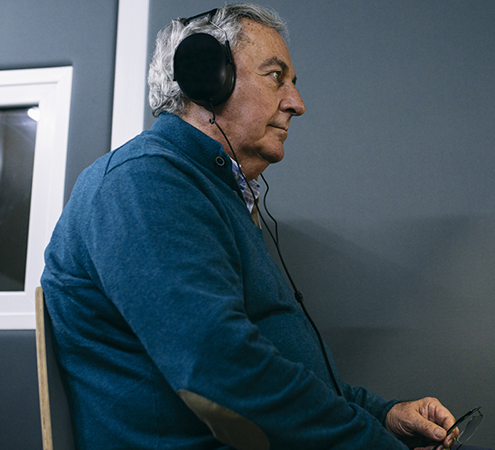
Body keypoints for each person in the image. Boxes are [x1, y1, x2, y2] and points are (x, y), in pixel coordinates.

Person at [41, 4, 457, 449]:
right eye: (276, 76)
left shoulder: (207, 190)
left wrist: (383, 416)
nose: (297, 103)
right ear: (205, 78)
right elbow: (221, 365)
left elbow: (277, 360)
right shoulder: (142, 185)